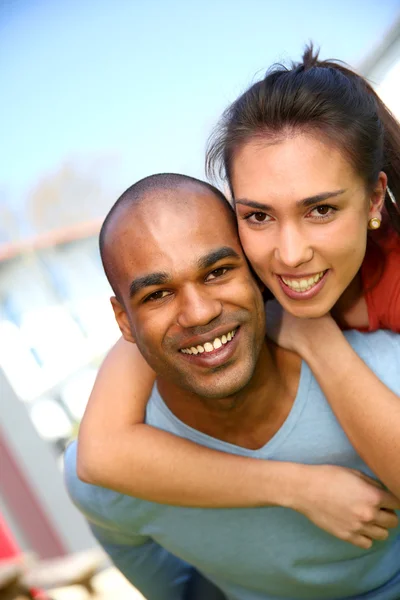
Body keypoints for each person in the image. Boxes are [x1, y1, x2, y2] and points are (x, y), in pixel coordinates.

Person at [76, 47, 400, 517]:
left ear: (373, 199)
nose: (290, 255)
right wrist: (299, 487)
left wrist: (320, 344)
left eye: (321, 209)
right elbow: (100, 453)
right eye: (259, 215)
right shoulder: (226, 275)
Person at [66, 174, 400, 600]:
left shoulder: (383, 372)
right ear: (123, 321)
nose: (199, 312)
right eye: (157, 295)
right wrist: (299, 488)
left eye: (218, 272)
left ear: (258, 273)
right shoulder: (105, 485)